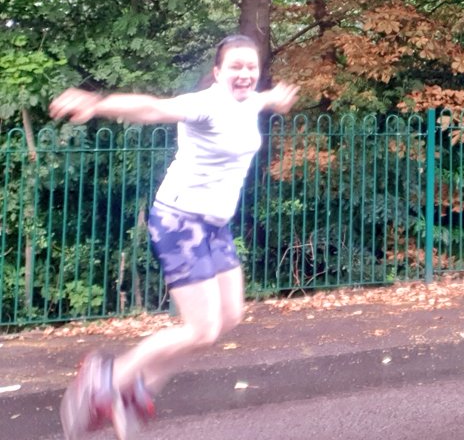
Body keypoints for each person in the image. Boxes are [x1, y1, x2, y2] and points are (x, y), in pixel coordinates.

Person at [50, 35, 298, 440]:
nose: (245, 74)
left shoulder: (249, 100)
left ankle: (134, 390)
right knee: (200, 329)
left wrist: (275, 97)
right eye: (235, 67)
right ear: (217, 73)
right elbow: (153, 108)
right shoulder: (204, 104)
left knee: (230, 316)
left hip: (215, 225)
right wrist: (97, 104)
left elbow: (261, 99)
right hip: (180, 221)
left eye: (251, 67)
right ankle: (106, 380)